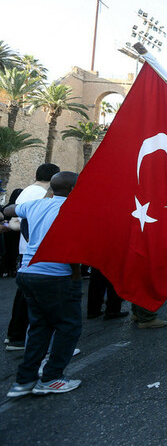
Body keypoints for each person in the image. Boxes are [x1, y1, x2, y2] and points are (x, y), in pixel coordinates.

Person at [3, 172, 84, 397]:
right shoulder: (73, 210)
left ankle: (24, 381)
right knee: (69, 326)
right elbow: (71, 246)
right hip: (56, 276)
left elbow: (9, 210)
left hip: (27, 273)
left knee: (39, 327)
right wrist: (75, 275)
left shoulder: (36, 205)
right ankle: (52, 377)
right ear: (72, 189)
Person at [4, 163, 60, 352]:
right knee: (30, 300)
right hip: (36, 253)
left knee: (25, 296)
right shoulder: (40, 194)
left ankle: (15, 335)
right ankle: (18, 338)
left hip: (28, 251)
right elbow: (25, 222)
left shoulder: (28, 190)